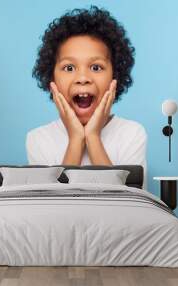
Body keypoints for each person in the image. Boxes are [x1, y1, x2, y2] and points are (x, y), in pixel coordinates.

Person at [26, 6, 147, 187]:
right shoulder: (38, 139)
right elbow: (53, 207)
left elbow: (125, 206)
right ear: (52, 79)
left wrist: (93, 137)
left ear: (115, 77)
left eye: (96, 67)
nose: (83, 79)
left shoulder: (132, 133)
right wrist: (76, 139)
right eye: (69, 68)